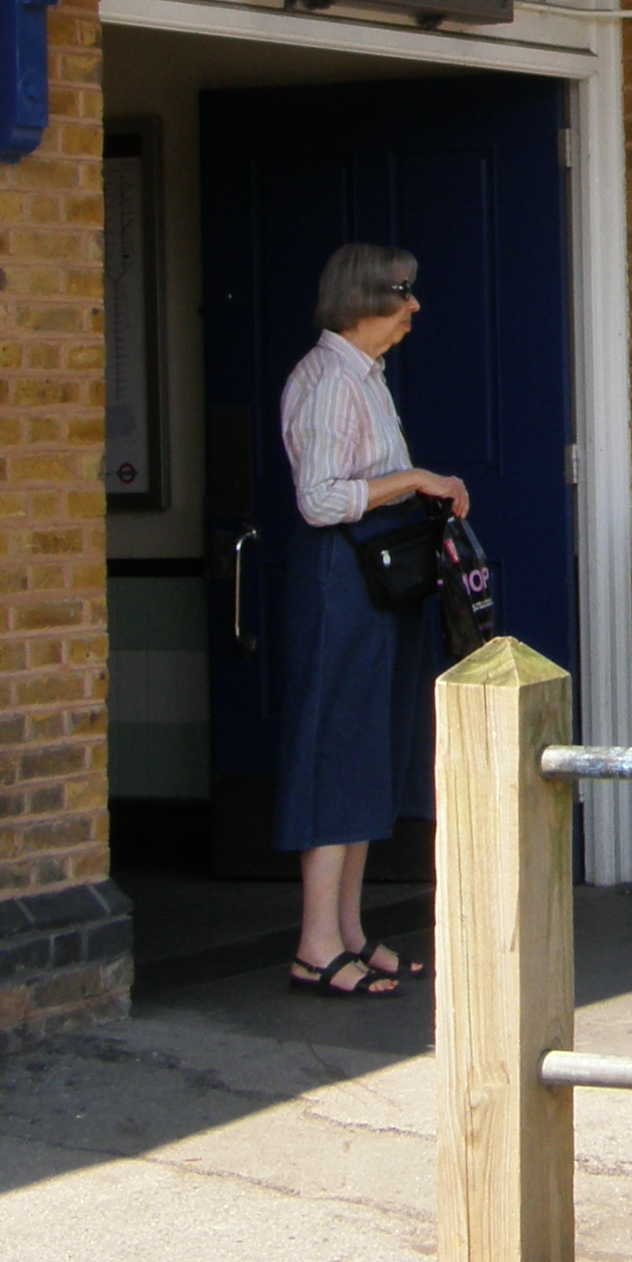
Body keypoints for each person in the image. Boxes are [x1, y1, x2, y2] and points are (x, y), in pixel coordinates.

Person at [274, 242, 470, 999]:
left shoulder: (366, 377)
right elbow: (320, 498)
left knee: (367, 746)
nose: (415, 306)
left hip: (371, 582)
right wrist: (415, 478)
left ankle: (348, 932)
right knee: (336, 744)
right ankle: (315, 943)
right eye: (400, 292)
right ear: (361, 301)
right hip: (338, 580)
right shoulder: (328, 382)